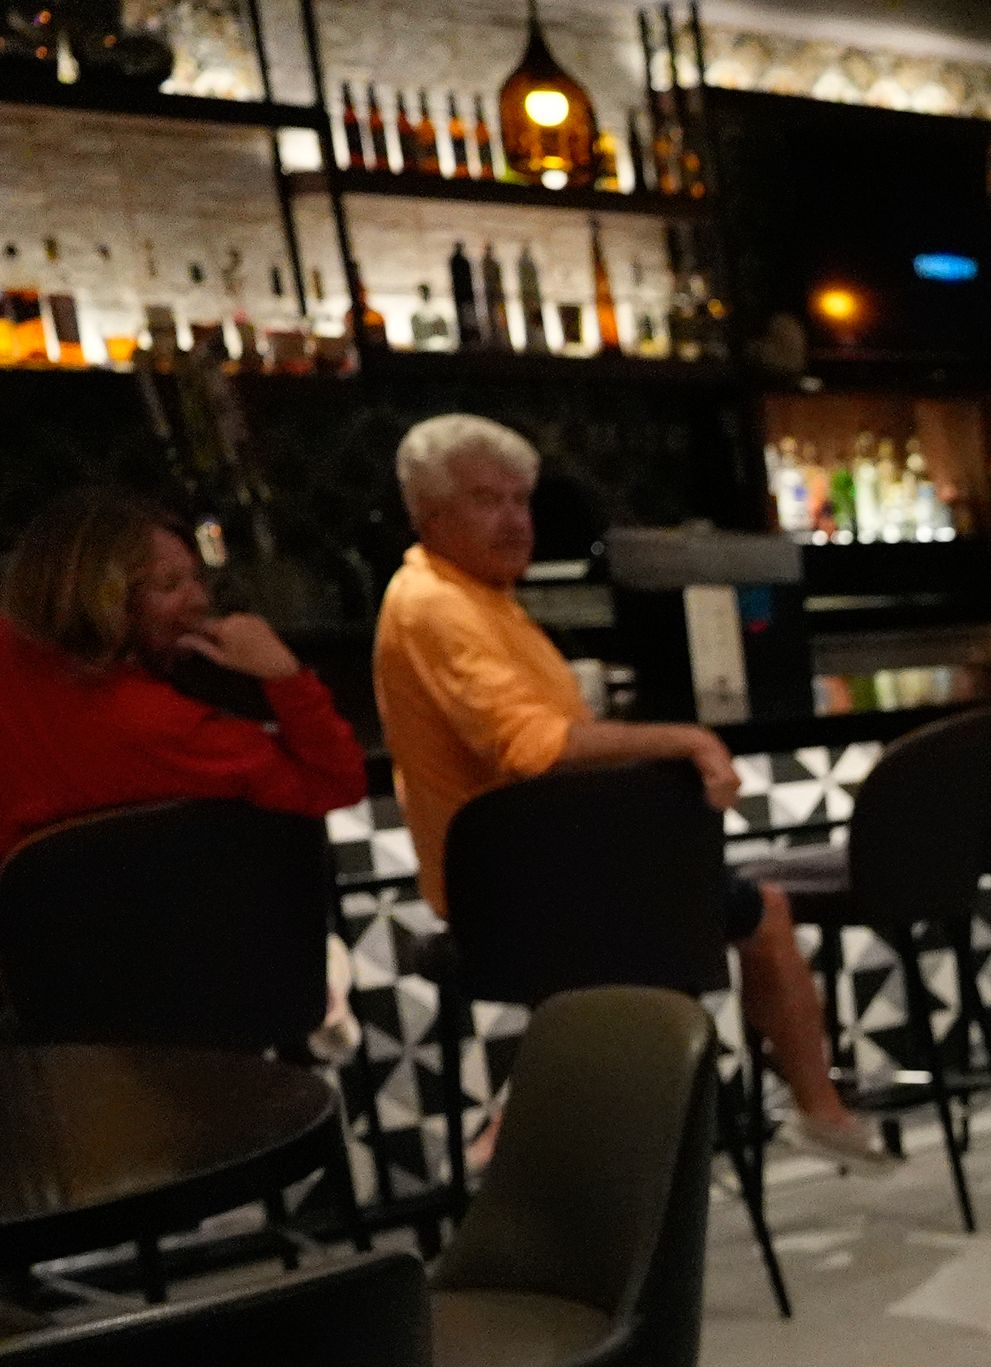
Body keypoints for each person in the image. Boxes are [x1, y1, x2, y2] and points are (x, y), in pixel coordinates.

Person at [371, 413, 887, 1172]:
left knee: (715, 923)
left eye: (521, 499)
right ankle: (801, 1116)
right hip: (518, 898)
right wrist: (688, 739)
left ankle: (563, 1135)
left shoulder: (479, 596)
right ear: (428, 512)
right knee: (747, 915)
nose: (515, 519)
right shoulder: (437, 606)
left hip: (551, 875)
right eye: (488, 500)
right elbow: (536, 749)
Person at [0, 486, 365, 857]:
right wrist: (285, 676)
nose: (201, 601)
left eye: (195, 580)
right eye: (170, 584)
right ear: (101, 599)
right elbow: (335, 782)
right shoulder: (166, 729)